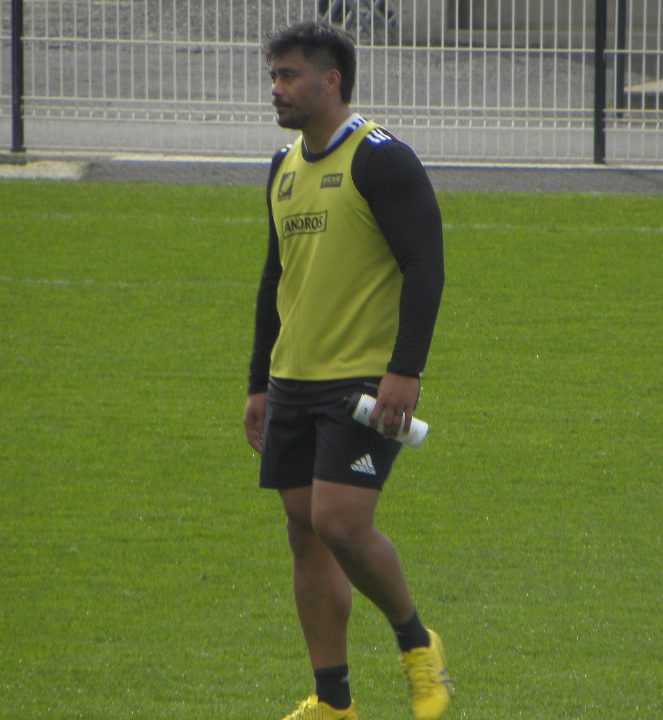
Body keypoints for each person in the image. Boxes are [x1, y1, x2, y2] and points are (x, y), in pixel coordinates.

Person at [242, 20, 450, 720]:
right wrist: (259, 383)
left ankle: (417, 643)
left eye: (289, 75)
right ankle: (333, 703)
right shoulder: (282, 166)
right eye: (274, 76)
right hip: (292, 381)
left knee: (338, 521)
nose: (276, 89)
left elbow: (425, 267)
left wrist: (405, 371)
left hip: (361, 382)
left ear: (331, 81)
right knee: (305, 535)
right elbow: (274, 280)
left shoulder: (382, 160)